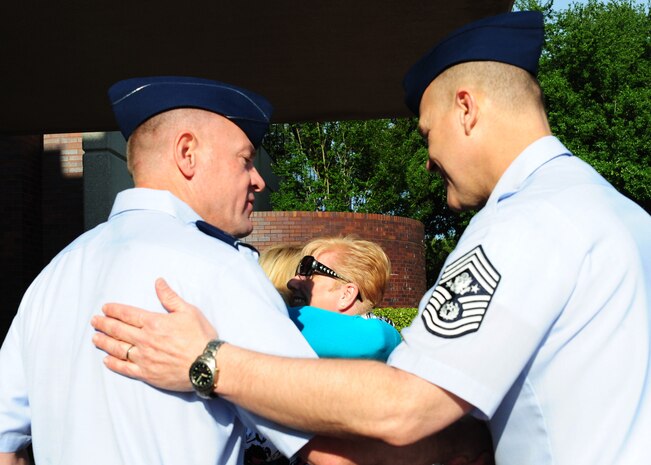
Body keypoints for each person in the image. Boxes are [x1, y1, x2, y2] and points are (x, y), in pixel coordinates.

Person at [91, 10, 651, 464]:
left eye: (428, 133)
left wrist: (207, 360)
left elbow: (404, 406)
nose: (429, 161)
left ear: (466, 109)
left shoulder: (524, 223)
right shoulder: (622, 216)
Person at [0, 76, 324, 465]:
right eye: (245, 160)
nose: (258, 180)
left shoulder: (51, 278)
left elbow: (6, 445)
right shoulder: (220, 267)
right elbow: (325, 443)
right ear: (187, 152)